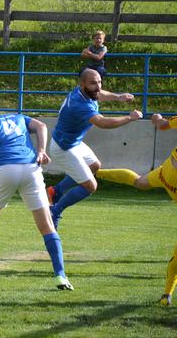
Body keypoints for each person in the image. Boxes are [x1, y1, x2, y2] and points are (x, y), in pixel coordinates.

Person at [0, 108, 74, 290]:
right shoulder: (17, 117)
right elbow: (42, 126)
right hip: (32, 168)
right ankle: (60, 275)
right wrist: (41, 150)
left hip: (5, 169)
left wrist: (0, 155)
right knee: (47, 226)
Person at [95, 113, 177, 307]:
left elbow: (163, 125)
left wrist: (157, 118)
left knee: (140, 181)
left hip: (168, 170)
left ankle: (95, 172)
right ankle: (166, 294)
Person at [47, 68, 142, 228]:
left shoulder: (85, 92)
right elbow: (102, 123)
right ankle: (55, 212)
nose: (98, 86)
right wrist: (129, 118)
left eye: (99, 81)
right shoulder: (80, 104)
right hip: (63, 148)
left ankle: (55, 191)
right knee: (90, 186)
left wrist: (118, 97)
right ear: (82, 84)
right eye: (93, 83)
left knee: (94, 166)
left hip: (73, 142)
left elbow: (100, 94)